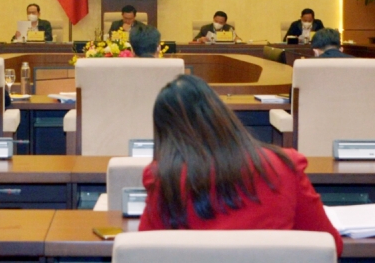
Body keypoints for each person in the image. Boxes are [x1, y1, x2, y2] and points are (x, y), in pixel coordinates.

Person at [138, 74, 341, 255]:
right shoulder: (284, 166)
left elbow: (142, 254)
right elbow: (331, 246)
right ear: (221, 115)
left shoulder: (163, 178)